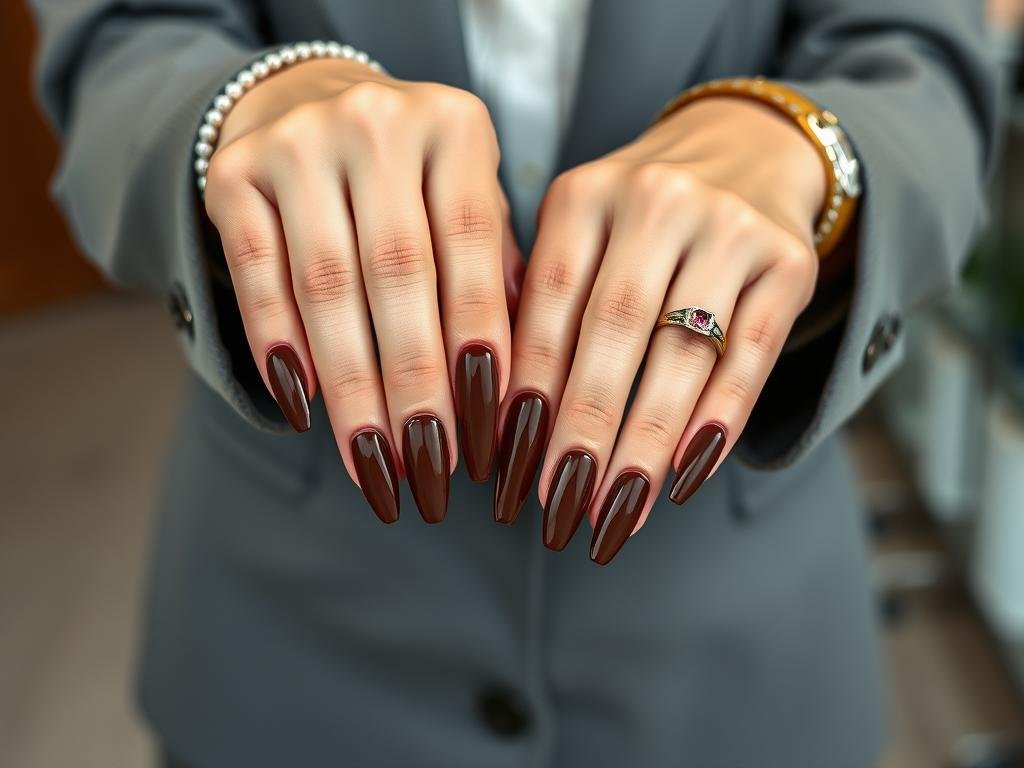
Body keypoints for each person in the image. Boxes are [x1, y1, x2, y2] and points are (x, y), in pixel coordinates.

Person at [30, 0, 996, 765]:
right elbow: (121, 36)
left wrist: (797, 146)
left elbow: (923, 61)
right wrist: (250, 104)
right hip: (297, 642)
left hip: (727, 648)